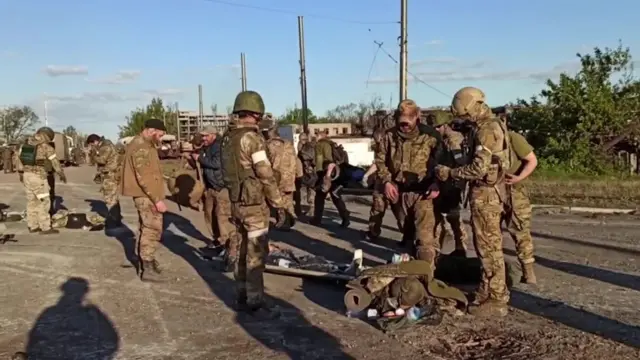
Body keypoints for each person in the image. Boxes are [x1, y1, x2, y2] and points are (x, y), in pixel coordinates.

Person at [435, 86, 512, 317]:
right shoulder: (485, 126)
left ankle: (496, 299)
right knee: (485, 246)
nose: (463, 119)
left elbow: (478, 168)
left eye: (464, 114)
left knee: (489, 248)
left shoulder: (487, 129)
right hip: (487, 193)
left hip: (487, 194)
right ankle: (487, 289)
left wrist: (450, 174)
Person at [221, 90, 290, 319]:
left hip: (236, 202)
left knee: (241, 251)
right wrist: (279, 203)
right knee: (256, 254)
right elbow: (265, 174)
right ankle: (255, 302)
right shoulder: (252, 138)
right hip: (254, 205)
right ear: (255, 113)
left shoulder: (228, 138)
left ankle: (241, 295)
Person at [375, 99, 441, 275]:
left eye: (409, 121)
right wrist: (387, 181)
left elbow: (441, 162)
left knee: (424, 239)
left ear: (417, 117)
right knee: (407, 233)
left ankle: (427, 277)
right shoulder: (388, 136)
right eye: (401, 121)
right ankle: (413, 275)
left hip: (423, 193)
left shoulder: (430, 136)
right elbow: (380, 161)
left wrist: (437, 182)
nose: (405, 126)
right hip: (399, 193)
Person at [120, 119, 168, 281]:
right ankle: (147, 267)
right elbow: (145, 177)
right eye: (159, 135)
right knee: (152, 229)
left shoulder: (142, 144)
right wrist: (157, 200)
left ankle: (146, 261)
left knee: (146, 228)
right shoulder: (142, 147)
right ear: (151, 130)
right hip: (147, 196)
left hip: (145, 195)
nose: (160, 139)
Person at [195, 125, 236, 271]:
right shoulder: (207, 147)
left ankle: (229, 247)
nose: (203, 138)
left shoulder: (219, 146)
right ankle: (218, 241)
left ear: (213, 135)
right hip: (211, 188)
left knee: (222, 218)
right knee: (209, 215)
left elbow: (216, 164)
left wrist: (199, 158)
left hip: (221, 188)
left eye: (205, 136)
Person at [15, 127, 66, 235]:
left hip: (26, 176)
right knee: (44, 201)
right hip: (38, 177)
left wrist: (20, 173)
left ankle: (32, 226)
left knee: (31, 201)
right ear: (47, 136)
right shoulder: (46, 147)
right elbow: (55, 162)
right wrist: (61, 173)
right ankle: (45, 227)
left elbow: (18, 160)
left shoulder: (25, 145)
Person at [431, 112, 468, 256]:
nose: (436, 130)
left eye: (438, 127)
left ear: (445, 125)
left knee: (454, 218)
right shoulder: (443, 140)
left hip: (453, 185)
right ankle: (437, 249)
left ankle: (460, 248)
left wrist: (455, 180)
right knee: (440, 218)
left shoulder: (453, 140)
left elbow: (460, 163)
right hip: (443, 183)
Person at [503, 130, 538, 284]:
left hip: (515, 192)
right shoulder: (480, 136)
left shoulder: (512, 138)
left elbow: (532, 160)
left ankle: (528, 272)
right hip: (491, 194)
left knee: (521, 232)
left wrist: (519, 177)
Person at [363, 127, 405, 242]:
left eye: (375, 138)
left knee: (379, 209)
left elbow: (377, 164)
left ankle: (374, 232)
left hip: (385, 183)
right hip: (392, 183)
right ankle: (407, 236)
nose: (374, 141)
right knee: (398, 210)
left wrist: (366, 175)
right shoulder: (394, 146)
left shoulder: (386, 146)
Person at [309, 129, 350, 227]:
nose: (315, 137)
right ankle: (345, 217)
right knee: (335, 196)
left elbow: (325, 161)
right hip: (335, 174)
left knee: (319, 197)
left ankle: (317, 219)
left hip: (325, 174)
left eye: (316, 135)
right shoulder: (332, 144)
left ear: (320, 136)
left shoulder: (321, 145)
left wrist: (324, 174)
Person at [261, 121, 297, 224]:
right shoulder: (288, 144)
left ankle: (284, 222)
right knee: (288, 199)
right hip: (290, 177)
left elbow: (266, 163)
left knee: (278, 201)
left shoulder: (269, 145)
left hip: (278, 178)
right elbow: (295, 160)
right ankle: (290, 218)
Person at [86, 134, 124, 229]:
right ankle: (116, 219)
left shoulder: (105, 147)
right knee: (113, 198)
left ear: (94, 141)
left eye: (92, 144)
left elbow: (102, 160)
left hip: (110, 175)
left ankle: (113, 221)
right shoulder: (105, 145)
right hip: (110, 174)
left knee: (109, 198)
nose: (92, 146)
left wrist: (92, 154)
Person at [295, 133, 317, 217]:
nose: (300, 141)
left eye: (302, 139)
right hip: (306, 172)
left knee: (311, 191)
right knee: (308, 191)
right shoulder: (305, 146)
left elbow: (308, 158)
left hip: (310, 172)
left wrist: (301, 151)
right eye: (300, 139)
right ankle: (310, 210)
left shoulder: (308, 147)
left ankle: (312, 210)